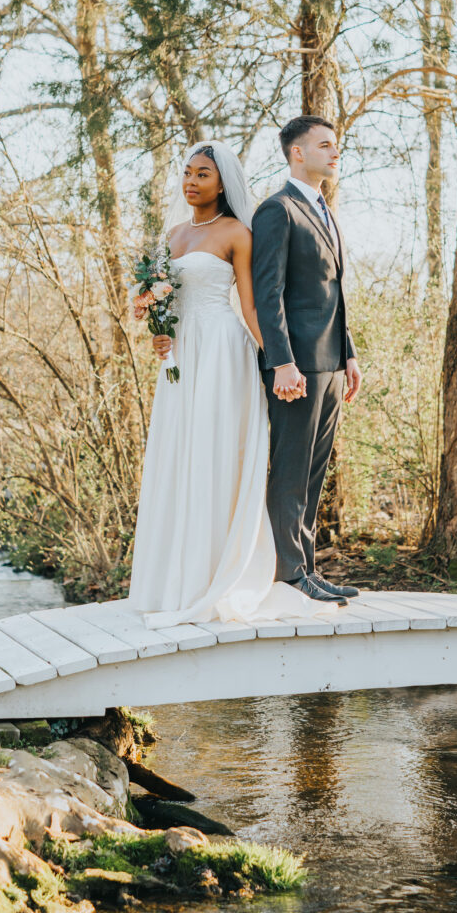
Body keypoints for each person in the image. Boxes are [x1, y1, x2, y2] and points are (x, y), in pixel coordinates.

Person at [128, 141, 305, 627]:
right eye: (187, 173)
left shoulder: (236, 233)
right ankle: (176, 581)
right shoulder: (173, 234)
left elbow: (251, 306)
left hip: (223, 354)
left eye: (202, 174)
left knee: (214, 455)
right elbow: (164, 306)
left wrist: (280, 363)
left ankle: (216, 577)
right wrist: (160, 335)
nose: (191, 181)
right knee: (178, 457)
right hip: (183, 359)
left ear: (222, 182)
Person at [251, 115, 362, 604]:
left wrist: (349, 354)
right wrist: (282, 362)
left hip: (332, 365)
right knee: (291, 469)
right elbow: (268, 293)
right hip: (295, 367)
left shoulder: (324, 210)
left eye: (335, 146)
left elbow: (332, 293)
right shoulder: (278, 211)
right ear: (297, 153)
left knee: (314, 472)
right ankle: (288, 575)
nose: (334, 153)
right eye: (324, 145)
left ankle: (307, 569)